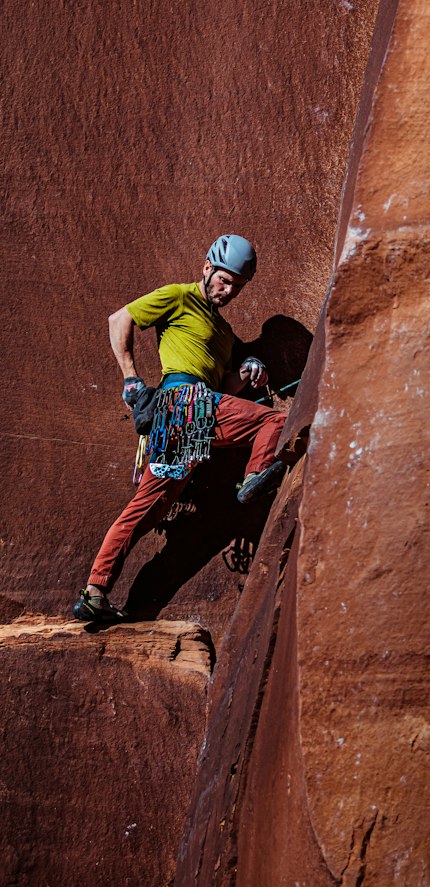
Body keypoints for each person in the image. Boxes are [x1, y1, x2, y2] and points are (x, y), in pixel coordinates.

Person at [73, 234, 287, 625]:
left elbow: (224, 389)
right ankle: (254, 477)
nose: (229, 290)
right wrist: (131, 379)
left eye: (237, 287)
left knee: (147, 511)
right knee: (274, 421)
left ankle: (94, 591)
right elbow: (120, 319)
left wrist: (247, 369)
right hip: (184, 404)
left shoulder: (223, 333)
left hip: (196, 414)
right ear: (207, 268)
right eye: (224, 280)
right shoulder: (179, 296)